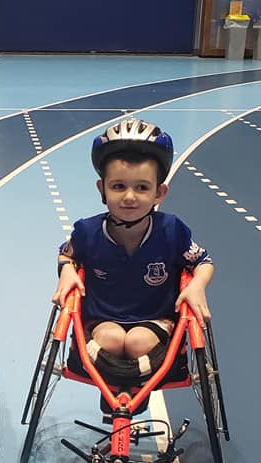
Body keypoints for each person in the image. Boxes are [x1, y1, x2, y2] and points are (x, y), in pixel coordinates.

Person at [53, 118, 213, 384]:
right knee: (112, 340)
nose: (129, 197)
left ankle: (127, 387)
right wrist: (66, 271)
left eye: (141, 187)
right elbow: (66, 254)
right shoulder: (87, 231)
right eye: (118, 186)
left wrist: (197, 285)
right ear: (101, 188)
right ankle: (119, 386)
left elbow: (204, 262)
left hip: (155, 319)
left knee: (138, 341)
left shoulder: (172, 230)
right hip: (103, 320)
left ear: (159, 192)